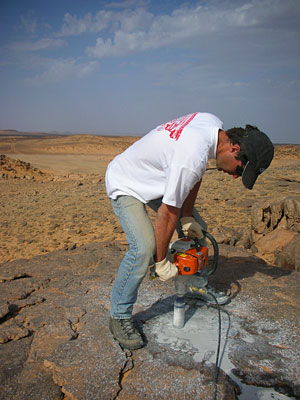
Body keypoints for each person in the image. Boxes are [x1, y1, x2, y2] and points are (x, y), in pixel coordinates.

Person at [105, 112, 274, 350]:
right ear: (235, 148)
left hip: (158, 180)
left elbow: (196, 175)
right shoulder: (190, 156)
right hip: (127, 181)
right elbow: (167, 212)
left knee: (197, 229)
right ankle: (119, 316)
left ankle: (193, 284)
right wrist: (161, 260)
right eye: (239, 170)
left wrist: (187, 216)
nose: (236, 176)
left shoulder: (211, 125)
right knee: (144, 249)